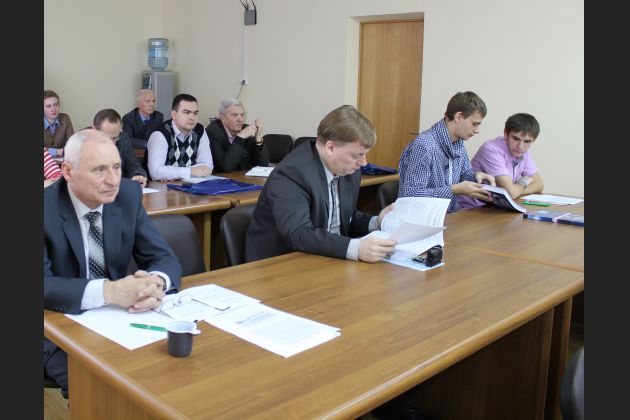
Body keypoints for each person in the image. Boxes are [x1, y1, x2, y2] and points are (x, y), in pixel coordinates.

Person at [44, 129, 182, 399]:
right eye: (99, 170)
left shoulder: (127, 195)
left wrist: (154, 283)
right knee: (103, 389)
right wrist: (109, 291)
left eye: (117, 167)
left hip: (116, 322)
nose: (113, 180)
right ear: (68, 172)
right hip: (54, 324)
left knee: (162, 374)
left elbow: (164, 257)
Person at [245, 105, 397, 263]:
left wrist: (376, 222)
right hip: (278, 265)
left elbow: (346, 218)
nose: (363, 162)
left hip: (325, 259)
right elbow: (298, 234)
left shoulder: (348, 170)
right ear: (330, 148)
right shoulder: (292, 174)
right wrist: (355, 248)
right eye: (356, 155)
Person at [398, 91, 496, 213]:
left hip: (449, 216)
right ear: (458, 117)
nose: (477, 130)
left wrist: (477, 177)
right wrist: (453, 190)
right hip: (421, 218)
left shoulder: (458, 143)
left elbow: (464, 176)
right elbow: (411, 194)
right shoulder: (424, 145)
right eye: (474, 124)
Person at [458, 113, 544, 209]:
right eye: (515, 138)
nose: (520, 146)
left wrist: (517, 190)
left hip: (495, 208)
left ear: (534, 140)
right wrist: (523, 182)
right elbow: (511, 193)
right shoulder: (491, 149)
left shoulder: (523, 152)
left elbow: (539, 185)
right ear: (506, 134)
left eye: (527, 141)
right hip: (470, 209)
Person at [146, 93, 214, 180]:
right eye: (187, 112)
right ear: (174, 114)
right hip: (161, 187)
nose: (192, 118)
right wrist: (191, 171)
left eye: (195, 113)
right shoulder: (160, 134)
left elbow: (207, 166)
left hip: (191, 184)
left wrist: (171, 173)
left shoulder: (200, 130)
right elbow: (156, 173)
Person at [205, 98, 269, 172]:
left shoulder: (245, 129)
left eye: (242, 115)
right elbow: (226, 167)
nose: (240, 119)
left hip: (243, 177)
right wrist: (240, 137)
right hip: (221, 177)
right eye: (235, 115)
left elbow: (263, 165)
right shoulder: (213, 132)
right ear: (222, 118)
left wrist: (258, 138)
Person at [92, 108, 148, 187]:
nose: (113, 143)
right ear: (94, 129)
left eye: (116, 138)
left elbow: (133, 165)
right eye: (107, 138)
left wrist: (138, 175)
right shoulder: (81, 143)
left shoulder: (123, 139)